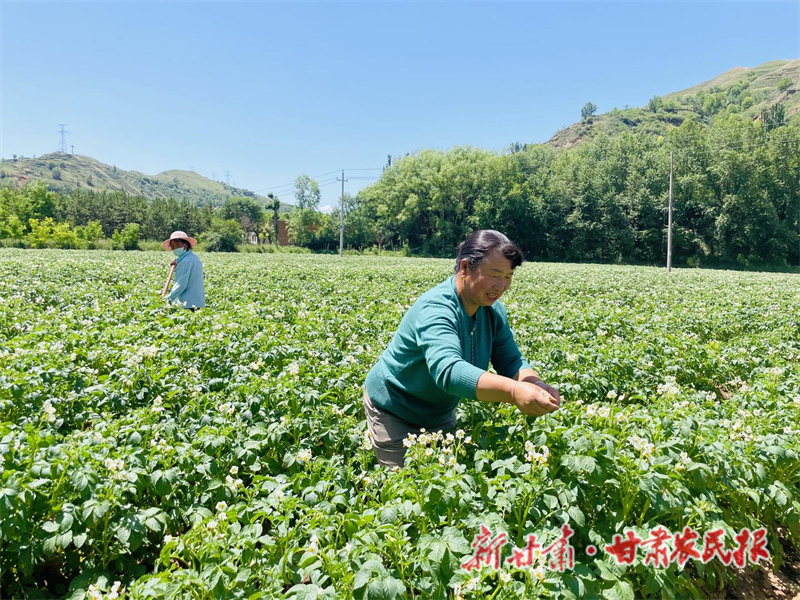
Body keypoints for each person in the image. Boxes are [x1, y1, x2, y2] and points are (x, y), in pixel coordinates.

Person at [363, 230, 560, 467]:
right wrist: (514, 392)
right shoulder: (436, 308)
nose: (502, 285)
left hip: (438, 413)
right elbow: (449, 371)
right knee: (404, 490)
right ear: (465, 268)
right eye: (494, 274)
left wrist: (535, 384)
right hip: (394, 409)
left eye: (508, 276)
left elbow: (510, 361)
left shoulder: (492, 311)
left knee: (442, 487)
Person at [161, 231, 205, 309]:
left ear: (185, 245)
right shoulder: (194, 258)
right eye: (173, 246)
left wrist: (167, 299)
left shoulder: (185, 261)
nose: (175, 248)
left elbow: (181, 284)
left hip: (187, 304)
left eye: (178, 244)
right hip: (198, 302)